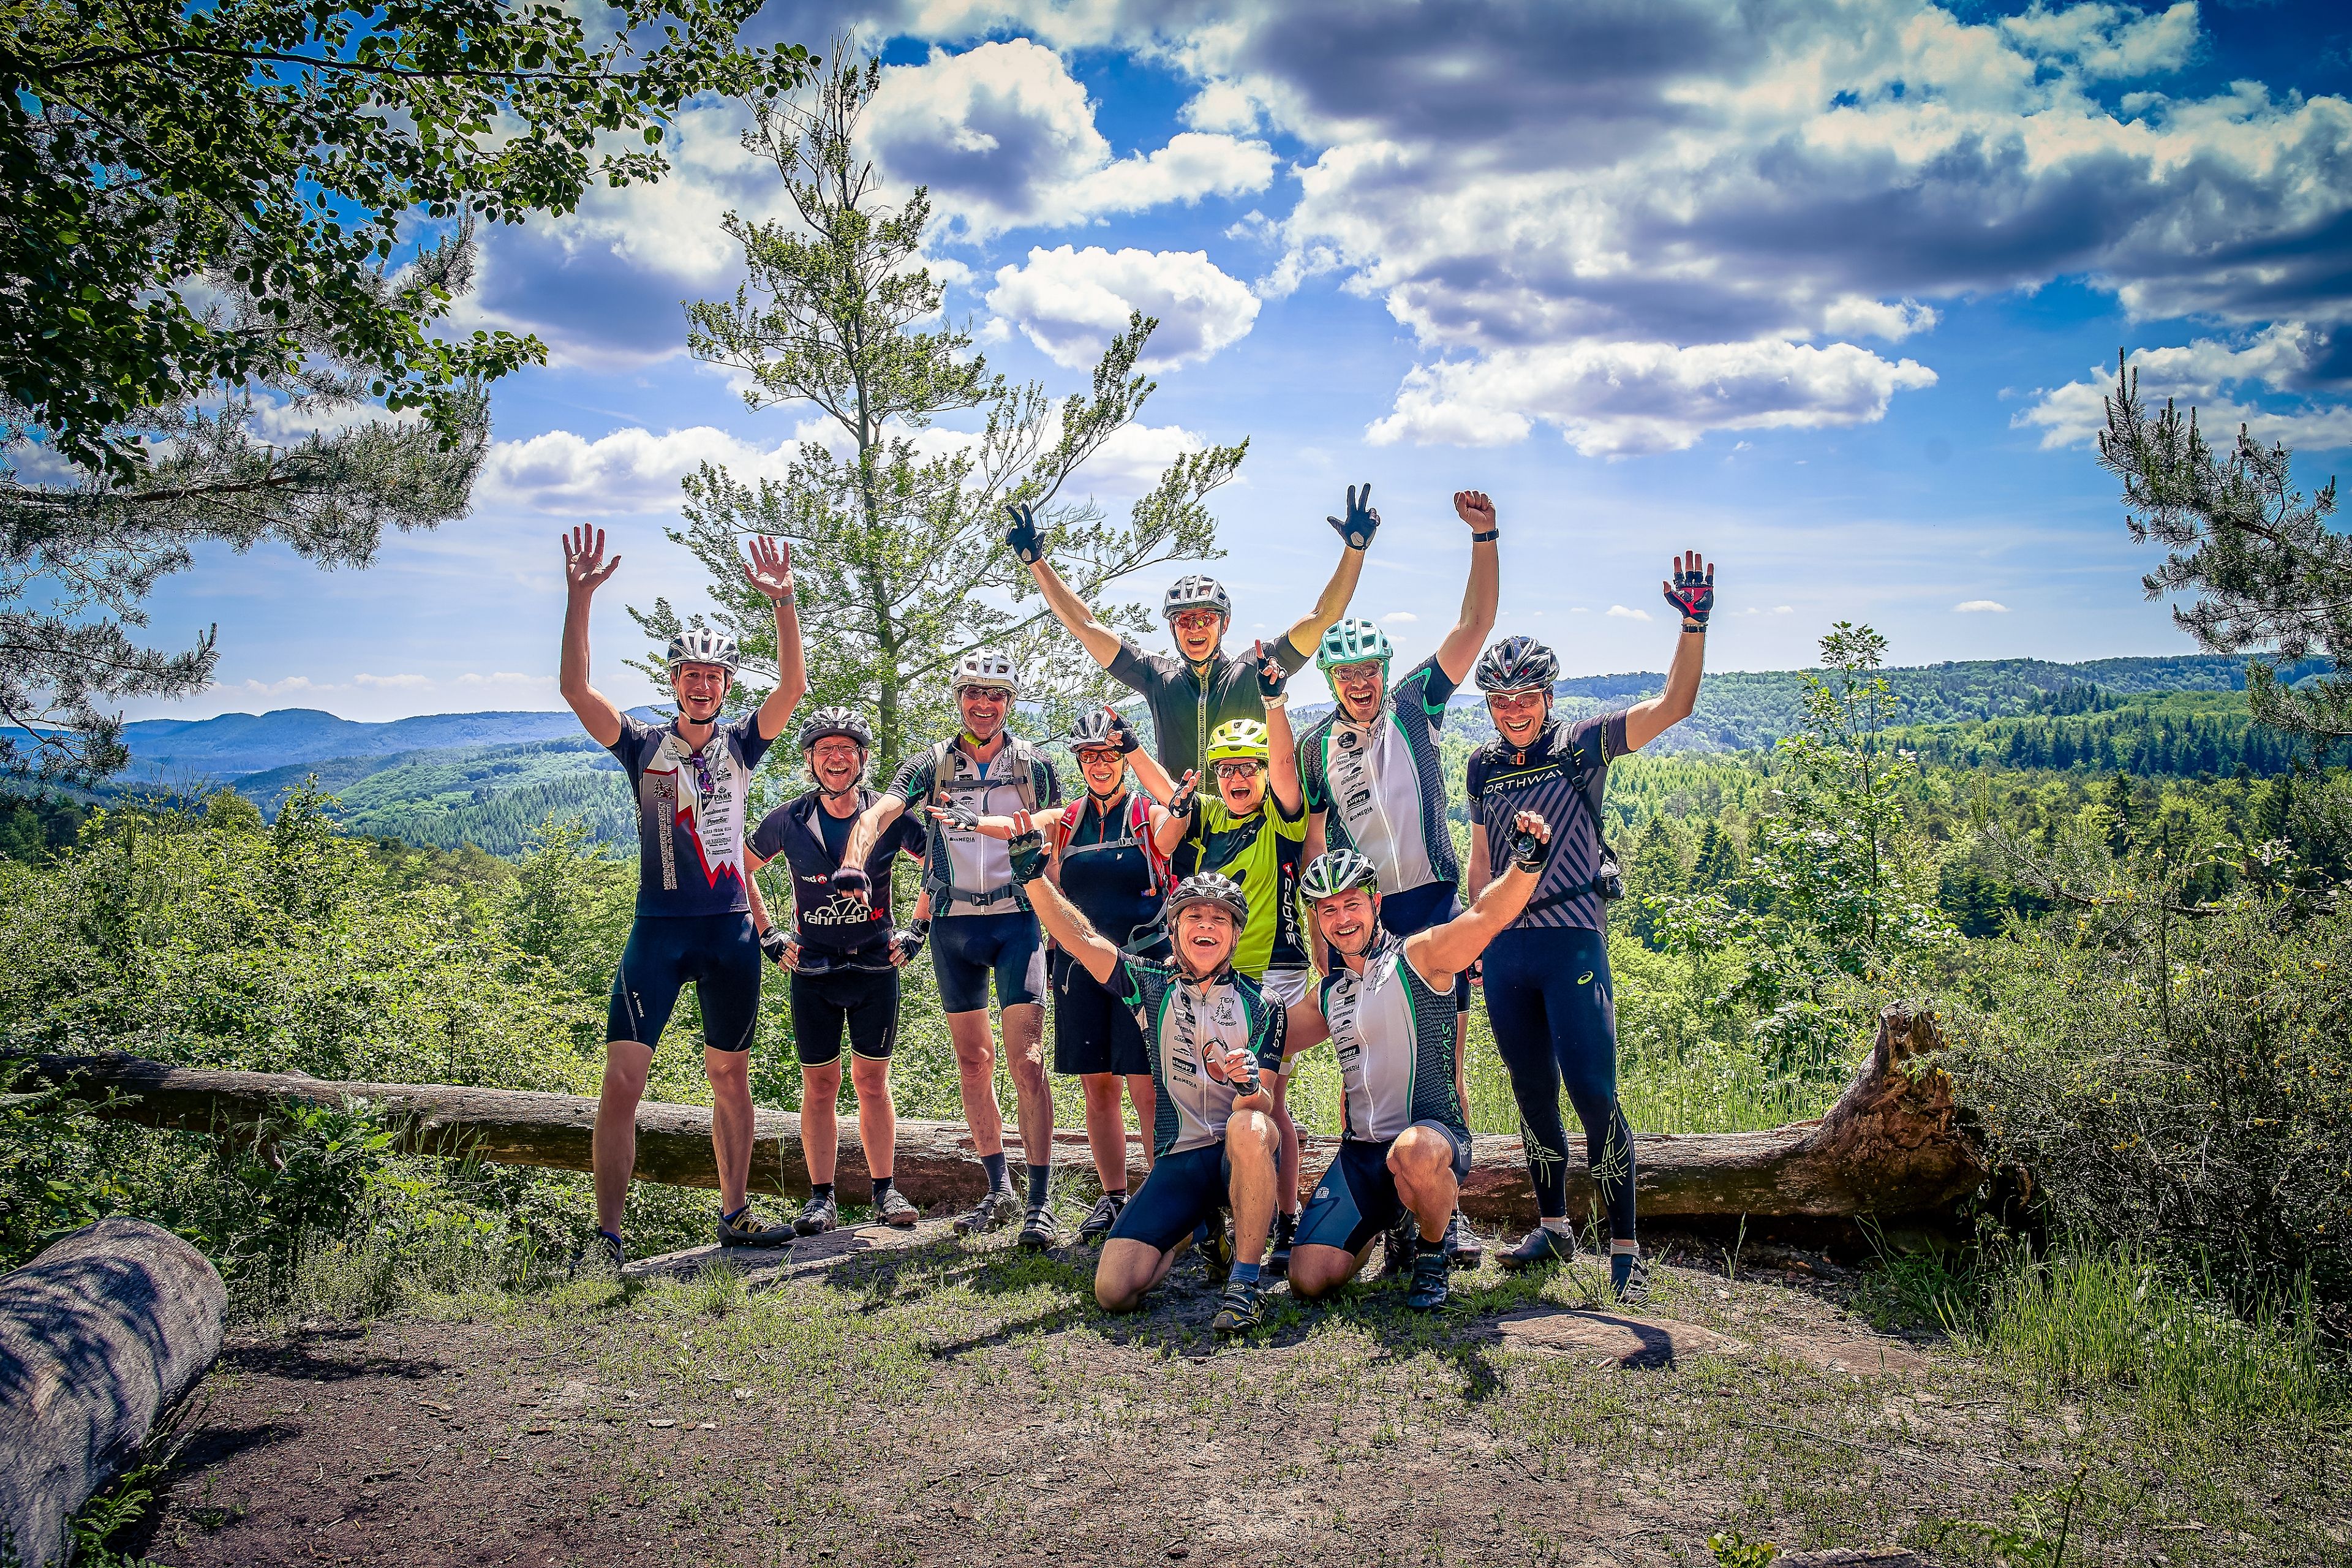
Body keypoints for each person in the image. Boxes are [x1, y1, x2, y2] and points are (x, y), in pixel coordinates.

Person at [1464, 552, 1716, 1302]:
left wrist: (1693, 624)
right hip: (1506, 950)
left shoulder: (1581, 745)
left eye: (1526, 696)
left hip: (1572, 938)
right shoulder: (1481, 766)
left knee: (1594, 1093)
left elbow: (1674, 705)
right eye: (1501, 699)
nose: (1514, 709)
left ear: (1549, 696)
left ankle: (1627, 1249)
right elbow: (1481, 862)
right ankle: (1554, 1228)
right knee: (1532, 1093)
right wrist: (1475, 937)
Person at [556, 524, 806, 1270]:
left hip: (730, 934)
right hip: (658, 934)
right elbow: (576, 691)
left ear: (726, 685)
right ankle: (607, 1238)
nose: (702, 685)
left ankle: (735, 1214)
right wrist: (579, 597)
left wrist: (784, 602)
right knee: (622, 1081)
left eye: (714, 676)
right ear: (674, 682)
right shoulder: (642, 745)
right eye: (690, 674)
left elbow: (792, 688)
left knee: (731, 1077)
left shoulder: (742, 745)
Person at [1297, 488, 1500, 1268]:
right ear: (1331, 679)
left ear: (1384, 670)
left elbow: (1473, 626)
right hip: (1361, 917)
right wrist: (1321, 939)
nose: (1360, 682)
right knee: (1366, 1059)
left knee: (1445, 1063)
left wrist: (1485, 537)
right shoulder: (1316, 747)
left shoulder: (1417, 704)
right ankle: (1385, 1214)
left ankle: (1447, 1212)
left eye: (1369, 670)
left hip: (1434, 905)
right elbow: (1314, 843)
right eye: (1345, 673)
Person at [1010, 835, 1288, 1336]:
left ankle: (1245, 1284)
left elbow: (1263, 1103)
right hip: (1180, 1158)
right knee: (1114, 1291)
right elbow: (1083, 940)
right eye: (1194, 917)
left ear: (1235, 935)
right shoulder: (1152, 986)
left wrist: (1248, 1083)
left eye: (1220, 919)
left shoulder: (1265, 1004)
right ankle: (1200, 1227)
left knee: (1248, 1126)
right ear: (1175, 930)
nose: (1206, 926)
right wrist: (1034, 879)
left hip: (1239, 1152)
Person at [839, 650, 1064, 1248]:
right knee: (973, 1061)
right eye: (973, 693)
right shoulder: (931, 764)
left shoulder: (1035, 766)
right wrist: (854, 859)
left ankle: (1040, 1203)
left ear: (1009, 702)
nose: (983, 704)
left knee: (1027, 1061)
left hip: (1018, 920)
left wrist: (1063, 933)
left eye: (995, 694)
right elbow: (881, 812)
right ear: (959, 698)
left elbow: (1056, 843)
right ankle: (1000, 1190)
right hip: (953, 927)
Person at [1283, 818, 1554, 1312]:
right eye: (1328, 910)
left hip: (1432, 1141)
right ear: (1317, 920)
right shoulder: (1330, 993)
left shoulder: (1420, 955)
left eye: (1352, 904)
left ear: (1375, 903)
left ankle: (1432, 1254)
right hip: (1363, 1155)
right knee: (1308, 1279)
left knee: (1410, 1153)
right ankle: (1388, 1219)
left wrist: (1526, 864)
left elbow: (1485, 918)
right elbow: (1272, 1033)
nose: (1342, 919)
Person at [1005, 483, 1381, 782]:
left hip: (1251, 827)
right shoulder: (1157, 676)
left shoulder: (1257, 668)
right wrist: (1036, 562)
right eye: (1184, 620)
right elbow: (1084, 626)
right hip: (1181, 827)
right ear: (1172, 628)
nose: (1195, 628)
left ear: (1224, 624)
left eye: (1205, 618)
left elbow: (1323, 617)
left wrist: (1355, 549)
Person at [742, 707, 930, 1235]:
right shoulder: (789, 819)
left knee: (872, 1083)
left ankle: (885, 1190)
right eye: (825, 749)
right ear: (810, 761)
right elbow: (740, 866)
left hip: (875, 967)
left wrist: (917, 930)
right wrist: (768, 934)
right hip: (813, 970)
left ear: (863, 758)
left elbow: (938, 865)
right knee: (820, 1086)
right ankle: (820, 1199)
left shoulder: (888, 816)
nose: (836, 758)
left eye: (847, 748)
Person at [1152, 685, 1311, 1268]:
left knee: (1267, 1102)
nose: (1238, 778)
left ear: (1265, 772)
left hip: (1274, 970)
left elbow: (1288, 767)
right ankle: (1213, 1215)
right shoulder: (1210, 812)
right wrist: (1135, 749)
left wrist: (1274, 702)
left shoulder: (1280, 817)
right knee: (1204, 1095)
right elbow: (1165, 807)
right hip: (1208, 970)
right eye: (1227, 770)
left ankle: (1286, 1219)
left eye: (1249, 767)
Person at [1039, 707, 1188, 1243]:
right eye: (1090, 757)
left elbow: (1171, 837)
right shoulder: (1067, 822)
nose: (1100, 765)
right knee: (1098, 1088)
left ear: (1123, 759)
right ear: (1079, 763)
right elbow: (1042, 868)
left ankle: (1162, 1197)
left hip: (1143, 965)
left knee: (1147, 1089)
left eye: (1108, 755)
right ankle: (1113, 1197)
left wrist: (1182, 805)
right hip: (1079, 971)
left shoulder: (1146, 812)